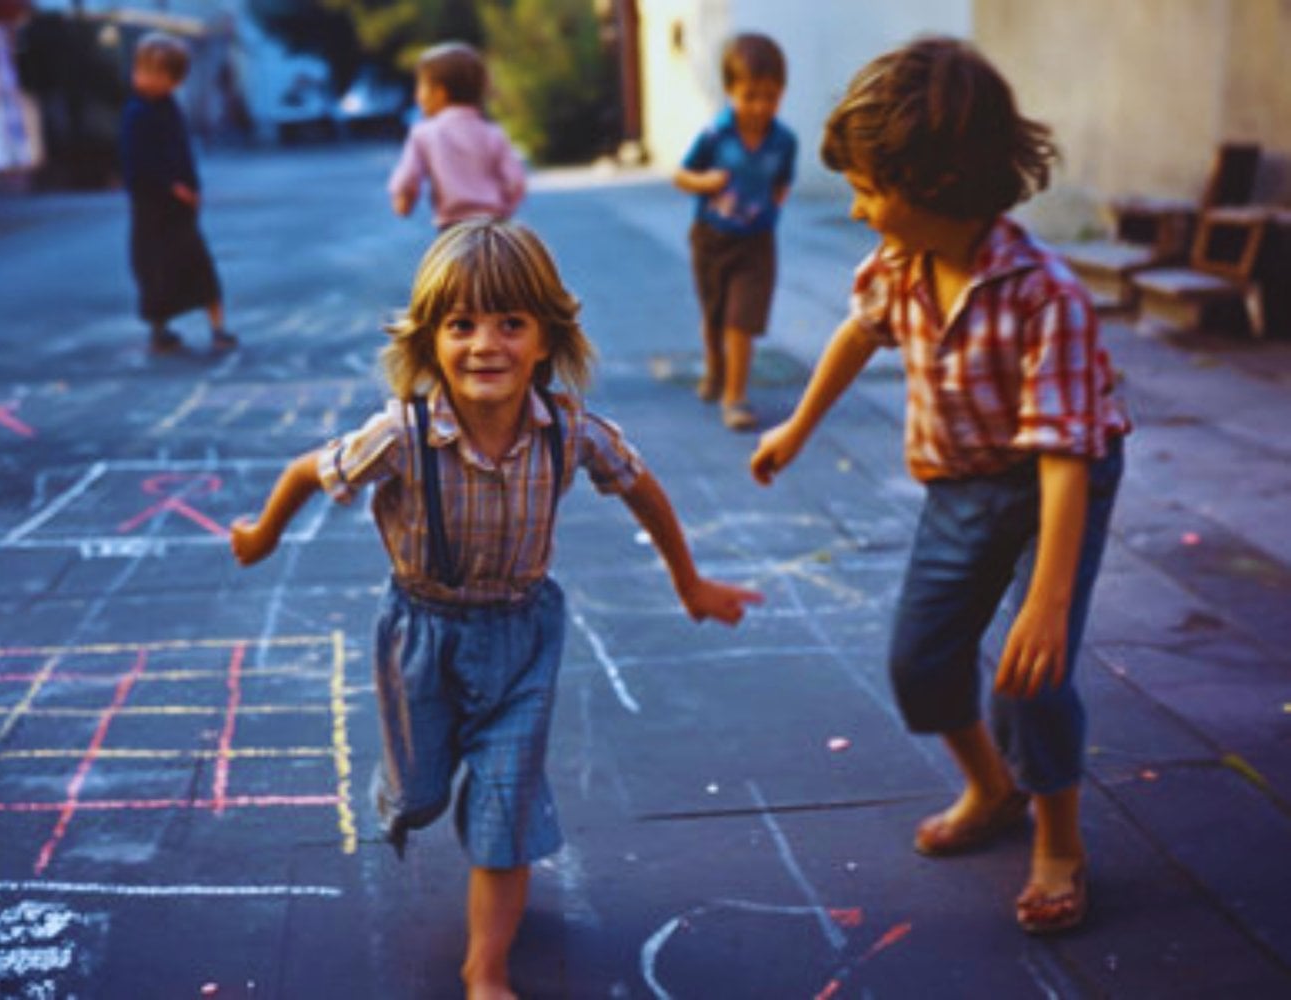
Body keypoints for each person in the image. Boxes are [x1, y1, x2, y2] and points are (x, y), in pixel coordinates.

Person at [232, 219, 760, 997]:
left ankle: (486, 966)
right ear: (429, 342)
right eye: (462, 325)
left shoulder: (569, 429)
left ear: (546, 339)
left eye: (511, 323)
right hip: (421, 632)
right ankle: (412, 787)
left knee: (505, 805)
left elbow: (640, 485)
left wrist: (689, 580)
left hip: (522, 635)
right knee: (419, 794)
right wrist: (263, 533)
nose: (487, 345)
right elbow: (311, 470)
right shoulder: (402, 435)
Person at [749, 37, 1130, 935]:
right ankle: (992, 789)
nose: (855, 208)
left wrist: (1047, 596)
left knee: (1032, 680)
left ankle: (1058, 842)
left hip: (1054, 484)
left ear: (942, 184)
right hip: (962, 484)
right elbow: (857, 333)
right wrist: (798, 425)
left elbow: (1068, 460)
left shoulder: (1048, 298)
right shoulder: (896, 265)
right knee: (920, 661)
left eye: (871, 190)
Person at [674, 32, 797, 431]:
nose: (761, 106)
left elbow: (782, 181)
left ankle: (735, 396)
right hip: (712, 238)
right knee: (714, 316)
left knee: (740, 319)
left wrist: (772, 206)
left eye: (771, 96)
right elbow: (681, 174)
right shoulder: (716, 134)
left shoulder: (784, 140)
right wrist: (706, 181)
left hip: (757, 242)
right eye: (750, 96)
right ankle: (715, 368)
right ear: (730, 91)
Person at [120, 32, 235, 354]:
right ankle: (159, 330)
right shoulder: (137, 113)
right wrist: (172, 187)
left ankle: (218, 327)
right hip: (153, 209)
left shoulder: (169, 107)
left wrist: (192, 187)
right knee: (155, 273)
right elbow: (137, 164)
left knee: (199, 267)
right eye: (142, 71)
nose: (144, 79)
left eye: (157, 74)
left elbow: (182, 151)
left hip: (180, 210)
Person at [388, 42, 526, 229]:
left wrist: (403, 203)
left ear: (440, 93)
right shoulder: (492, 133)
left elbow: (407, 181)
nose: (417, 96)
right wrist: (504, 210)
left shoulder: (424, 133)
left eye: (420, 86)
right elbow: (515, 182)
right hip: (494, 226)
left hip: (452, 230)